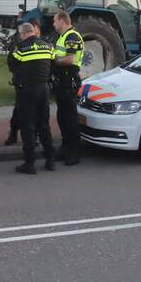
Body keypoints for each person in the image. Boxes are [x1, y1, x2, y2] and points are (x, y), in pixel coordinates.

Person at [10, 22, 55, 174]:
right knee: (44, 125)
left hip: (27, 91)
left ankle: (29, 164)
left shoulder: (21, 49)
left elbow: (12, 64)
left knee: (28, 127)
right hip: (44, 89)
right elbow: (53, 62)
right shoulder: (48, 46)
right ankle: (50, 161)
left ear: (23, 34)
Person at [4, 18, 43, 146]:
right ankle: (14, 132)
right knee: (19, 110)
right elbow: (12, 61)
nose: (35, 31)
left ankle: (33, 136)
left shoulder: (42, 42)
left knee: (37, 112)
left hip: (37, 83)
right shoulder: (18, 43)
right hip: (22, 82)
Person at [52, 11, 84, 166]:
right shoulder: (62, 36)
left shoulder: (72, 37)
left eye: (54, 21)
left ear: (61, 21)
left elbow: (69, 60)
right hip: (61, 80)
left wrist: (54, 61)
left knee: (70, 118)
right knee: (62, 116)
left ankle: (74, 151)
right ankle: (65, 147)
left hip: (69, 79)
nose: (53, 24)